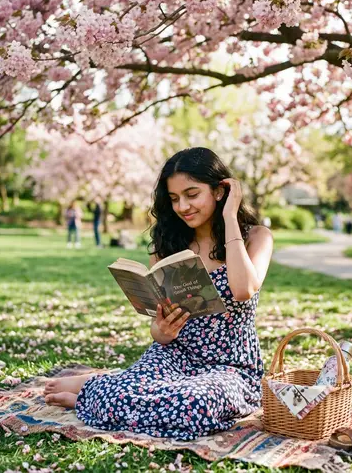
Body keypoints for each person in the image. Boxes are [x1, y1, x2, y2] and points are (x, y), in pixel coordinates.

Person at [44, 147, 274, 440]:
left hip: (230, 367)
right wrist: (162, 330)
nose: (183, 207)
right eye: (175, 198)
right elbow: (159, 329)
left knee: (195, 405)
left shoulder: (256, 237)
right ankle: (102, 388)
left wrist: (230, 216)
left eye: (192, 195)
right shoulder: (169, 245)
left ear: (219, 191)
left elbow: (243, 290)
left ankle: (91, 393)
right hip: (174, 355)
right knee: (145, 388)